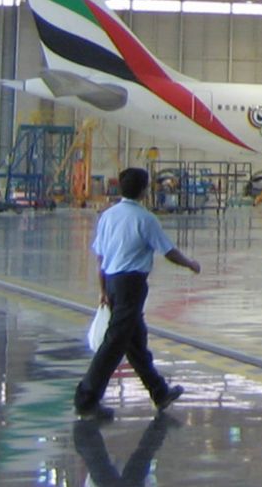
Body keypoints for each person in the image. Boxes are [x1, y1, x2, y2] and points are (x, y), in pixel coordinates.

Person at [74, 167, 202, 422]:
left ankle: (160, 392)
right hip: (131, 284)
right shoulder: (145, 219)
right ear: (144, 190)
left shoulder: (108, 216)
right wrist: (190, 263)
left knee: (135, 341)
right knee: (114, 344)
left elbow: (101, 255)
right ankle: (86, 400)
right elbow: (167, 251)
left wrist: (103, 290)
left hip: (111, 281)